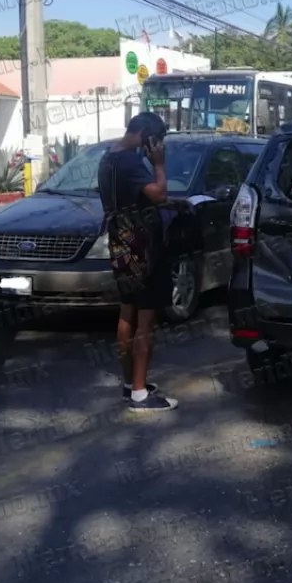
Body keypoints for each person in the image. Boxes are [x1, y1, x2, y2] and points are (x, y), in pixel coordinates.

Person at [98, 112, 179, 412]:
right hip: (143, 248)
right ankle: (141, 394)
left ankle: (130, 383)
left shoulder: (108, 158)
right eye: (155, 140)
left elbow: (132, 199)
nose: (156, 146)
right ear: (145, 134)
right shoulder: (130, 161)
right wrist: (159, 164)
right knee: (145, 319)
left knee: (126, 313)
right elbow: (159, 193)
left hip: (120, 243)